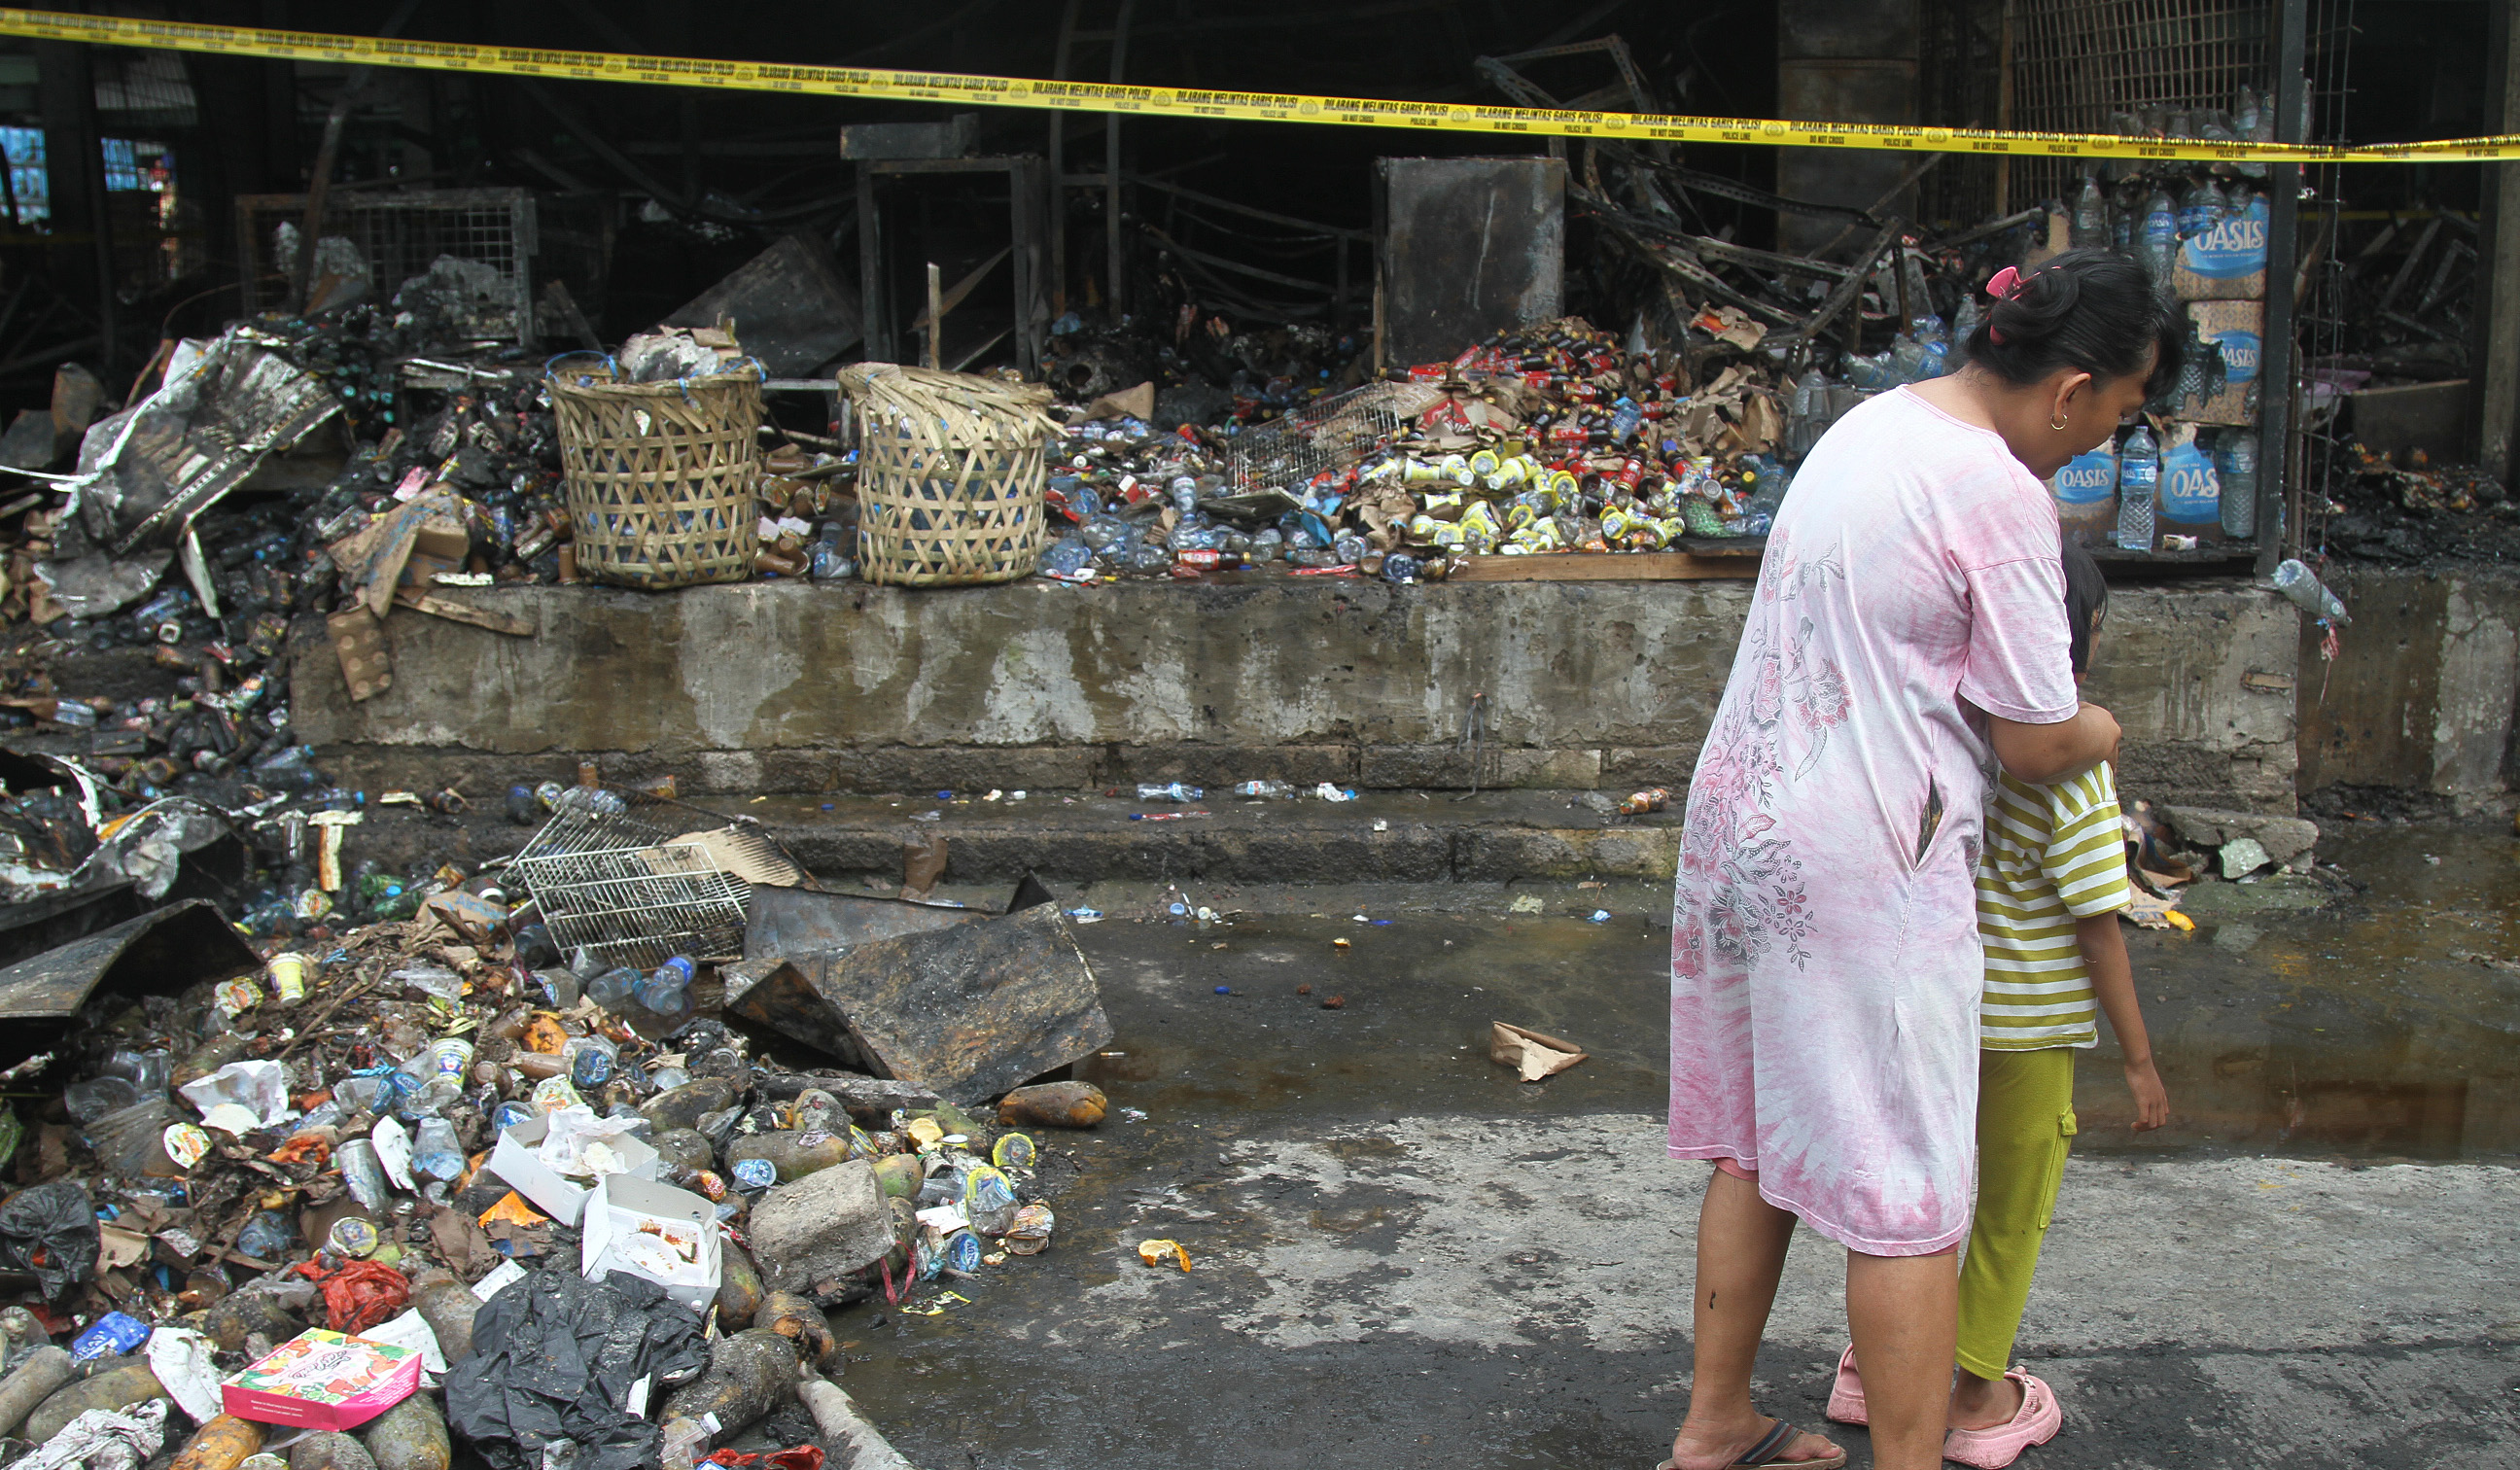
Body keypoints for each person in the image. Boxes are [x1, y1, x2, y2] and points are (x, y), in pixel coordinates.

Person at [1660, 249, 2181, 1470]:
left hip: (1744, 823)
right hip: (1863, 857)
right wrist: (2105, 727)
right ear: (2070, 390)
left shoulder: (1870, 427)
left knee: (1759, 1141)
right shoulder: (1995, 490)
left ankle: (1718, 1421)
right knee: (1907, 1197)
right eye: (2119, 412)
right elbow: (2041, 741)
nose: (2106, 437)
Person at [1821, 539, 2173, 1468]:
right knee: (2009, 1207)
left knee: (1926, 1196)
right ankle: (1975, 1392)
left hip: (1935, 1010)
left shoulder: (1944, 733)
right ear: (2081, 640)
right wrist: (2138, 1059)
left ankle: (1872, 1369)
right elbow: (2101, 925)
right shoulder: (2075, 768)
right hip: (2026, 1032)